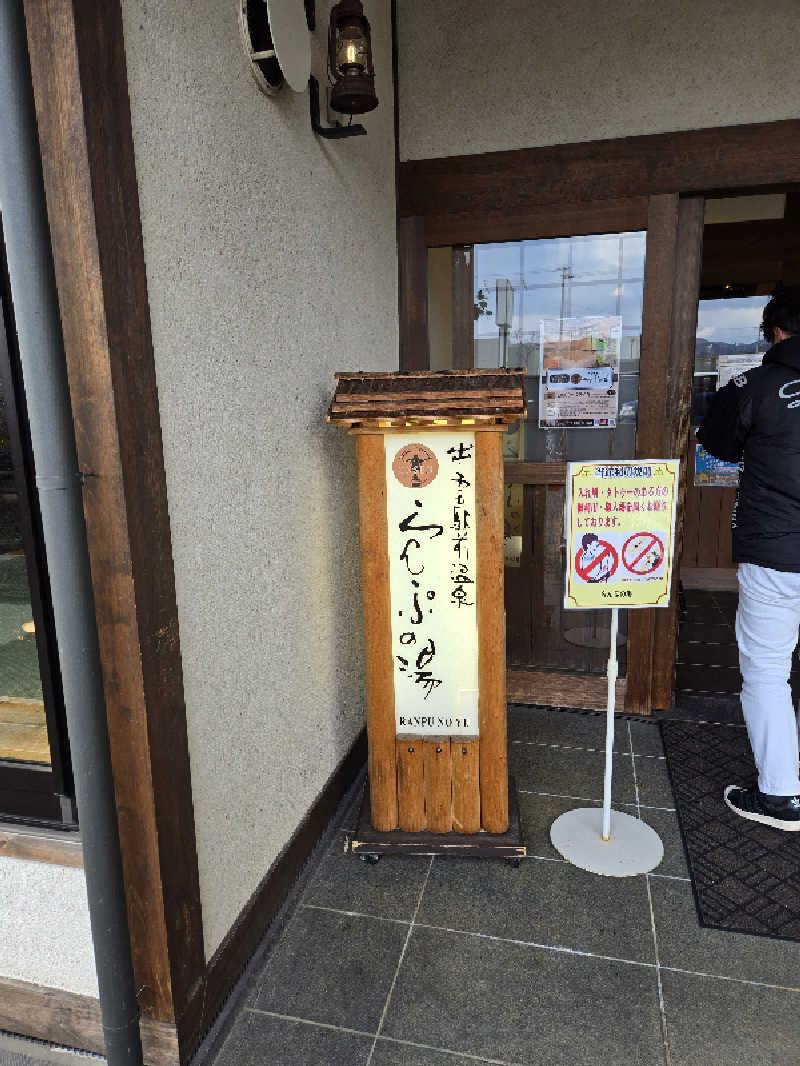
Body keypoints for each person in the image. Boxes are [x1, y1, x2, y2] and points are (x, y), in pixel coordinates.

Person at [697, 285, 800, 830]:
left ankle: (782, 795)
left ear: (775, 331)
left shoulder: (756, 385)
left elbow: (718, 445)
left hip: (778, 550)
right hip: (778, 548)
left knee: (766, 670)